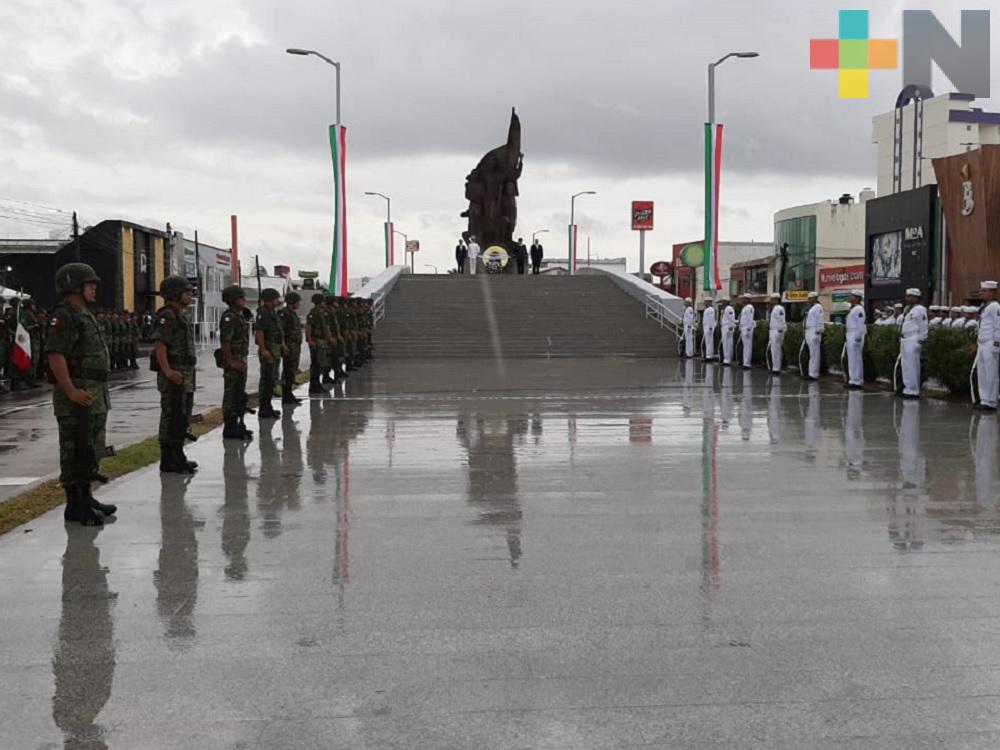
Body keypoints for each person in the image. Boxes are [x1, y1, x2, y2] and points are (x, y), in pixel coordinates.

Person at [46, 263, 116, 525]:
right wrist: (71, 391)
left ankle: (86, 496)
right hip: (76, 396)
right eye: (89, 284)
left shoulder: (84, 313)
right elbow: (56, 355)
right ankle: (75, 504)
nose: (94, 288)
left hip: (94, 393)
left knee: (91, 448)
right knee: (74, 449)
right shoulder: (65, 315)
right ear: (73, 286)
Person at [153, 275, 198, 474]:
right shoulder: (168, 316)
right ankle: (169, 459)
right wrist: (168, 371)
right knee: (171, 416)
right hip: (174, 374)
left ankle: (178, 455)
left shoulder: (180, 315)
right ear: (174, 294)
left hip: (185, 374)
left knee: (181, 417)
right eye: (186, 291)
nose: (190, 294)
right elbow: (160, 345)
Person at [219, 285, 254, 441]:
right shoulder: (230, 317)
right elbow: (225, 341)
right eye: (241, 298)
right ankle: (230, 426)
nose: (244, 300)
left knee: (239, 394)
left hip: (240, 360)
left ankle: (239, 424)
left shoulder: (239, 316)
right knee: (231, 395)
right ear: (234, 300)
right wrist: (230, 362)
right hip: (234, 362)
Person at [256, 288, 284, 419]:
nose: (278, 301)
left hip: (275, 349)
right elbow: (260, 332)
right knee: (266, 380)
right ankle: (264, 408)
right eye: (276, 299)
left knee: (271, 380)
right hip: (269, 350)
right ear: (269, 300)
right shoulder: (263, 313)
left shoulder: (272, 313)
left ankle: (269, 406)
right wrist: (263, 350)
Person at [974, 281, 1000, 411]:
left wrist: (996, 344)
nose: (981, 293)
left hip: (990, 343)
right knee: (982, 373)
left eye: (984, 291)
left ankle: (991, 401)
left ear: (992, 292)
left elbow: (998, 326)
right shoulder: (985, 306)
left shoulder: (995, 307)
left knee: (991, 373)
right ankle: (984, 399)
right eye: (981, 290)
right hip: (982, 343)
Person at [898, 288, 928, 399]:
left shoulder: (920, 309)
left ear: (916, 298)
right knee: (905, 365)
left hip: (913, 338)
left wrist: (920, 340)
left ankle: (913, 390)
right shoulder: (907, 309)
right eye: (907, 296)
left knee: (912, 365)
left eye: (910, 296)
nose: (907, 298)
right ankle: (907, 388)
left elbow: (923, 325)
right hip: (905, 339)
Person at [278, 291, 303, 405]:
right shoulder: (285, 314)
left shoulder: (292, 313)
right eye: (297, 302)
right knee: (288, 371)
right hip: (289, 345)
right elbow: (281, 331)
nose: (299, 304)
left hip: (295, 345)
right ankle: (286, 395)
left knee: (292, 370)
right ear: (292, 302)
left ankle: (289, 394)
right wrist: (283, 345)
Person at [305, 292, 329, 394]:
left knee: (319, 364)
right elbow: (309, 326)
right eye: (323, 302)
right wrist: (310, 340)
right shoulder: (313, 313)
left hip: (321, 341)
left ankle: (317, 384)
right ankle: (314, 385)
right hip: (316, 340)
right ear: (320, 302)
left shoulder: (320, 312)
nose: (325, 303)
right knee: (315, 364)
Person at [844, 289, 866, 389]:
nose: (850, 297)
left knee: (855, 359)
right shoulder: (853, 308)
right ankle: (854, 379)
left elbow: (860, 324)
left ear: (857, 298)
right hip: (850, 334)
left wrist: (858, 336)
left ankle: (856, 381)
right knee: (852, 359)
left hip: (855, 335)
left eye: (852, 295)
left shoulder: (859, 309)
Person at [803, 291, 824, 380]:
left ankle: (814, 374)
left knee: (814, 354)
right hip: (809, 331)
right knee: (812, 354)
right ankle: (811, 372)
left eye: (810, 298)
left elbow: (819, 319)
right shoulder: (811, 308)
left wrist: (818, 331)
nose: (809, 300)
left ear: (815, 298)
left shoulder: (818, 307)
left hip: (814, 332)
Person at [767, 293, 786, 375]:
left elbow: (781, 320)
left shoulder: (779, 308)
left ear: (776, 299)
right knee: (774, 350)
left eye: (772, 299)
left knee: (776, 351)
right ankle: (775, 367)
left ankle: (776, 369)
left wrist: (780, 330)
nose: (770, 301)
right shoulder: (775, 308)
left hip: (777, 331)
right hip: (773, 330)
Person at [738, 293, 755, 370]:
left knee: (747, 347)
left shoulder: (749, 307)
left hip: (747, 329)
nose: (743, 300)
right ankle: (744, 362)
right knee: (745, 347)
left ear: (748, 299)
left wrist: (748, 329)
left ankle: (747, 363)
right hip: (743, 329)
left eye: (744, 298)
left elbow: (750, 319)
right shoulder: (745, 308)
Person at [719, 296, 736, 366]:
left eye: (723, 301)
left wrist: (730, 327)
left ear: (727, 302)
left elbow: (731, 318)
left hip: (728, 328)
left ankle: (728, 359)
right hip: (724, 328)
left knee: (728, 344)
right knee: (725, 344)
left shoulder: (729, 308)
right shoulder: (725, 309)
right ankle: (726, 359)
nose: (722, 302)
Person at [701, 296, 717, 362]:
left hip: (709, 328)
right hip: (706, 327)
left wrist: (710, 328)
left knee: (709, 342)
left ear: (709, 302)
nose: (704, 303)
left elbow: (711, 319)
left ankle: (709, 356)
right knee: (707, 342)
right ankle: (708, 355)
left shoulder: (711, 309)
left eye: (705, 302)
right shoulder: (707, 309)